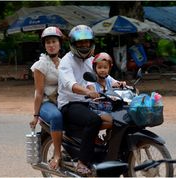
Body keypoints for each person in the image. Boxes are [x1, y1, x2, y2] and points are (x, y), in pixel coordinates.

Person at [57, 25, 101, 176]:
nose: (84, 45)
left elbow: (90, 80)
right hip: (69, 104)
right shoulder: (66, 61)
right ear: (73, 44)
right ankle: (82, 162)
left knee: (113, 116)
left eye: (87, 42)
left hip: (86, 102)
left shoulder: (89, 60)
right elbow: (72, 85)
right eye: (80, 43)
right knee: (94, 120)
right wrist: (88, 92)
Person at [29, 26, 64, 170]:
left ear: (60, 43)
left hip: (61, 100)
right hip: (46, 103)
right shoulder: (41, 65)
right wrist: (36, 115)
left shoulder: (63, 63)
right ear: (44, 45)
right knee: (56, 117)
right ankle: (57, 154)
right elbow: (39, 92)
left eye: (54, 41)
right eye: (47, 42)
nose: (51, 45)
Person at [87, 52, 126, 129]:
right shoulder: (92, 81)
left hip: (109, 108)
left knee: (123, 118)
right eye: (100, 67)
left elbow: (116, 83)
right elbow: (91, 89)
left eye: (105, 67)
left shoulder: (108, 78)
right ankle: (94, 135)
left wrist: (122, 84)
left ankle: (110, 137)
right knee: (113, 120)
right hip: (96, 109)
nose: (102, 70)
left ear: (109, 69)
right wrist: (93, 93)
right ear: (95, 68)